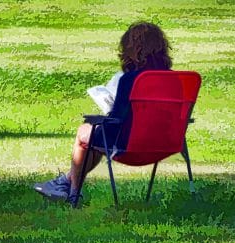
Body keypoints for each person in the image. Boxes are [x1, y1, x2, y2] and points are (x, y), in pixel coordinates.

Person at [34, 21, 172, 206]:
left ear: (132, 50)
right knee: (95, 138)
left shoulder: (131, 80)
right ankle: (65, 183)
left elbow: (117, 117)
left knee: (86, 132)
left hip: (130, 146)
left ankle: (72, 193)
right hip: (164, 144)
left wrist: (100, 119)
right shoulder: (175, 81)